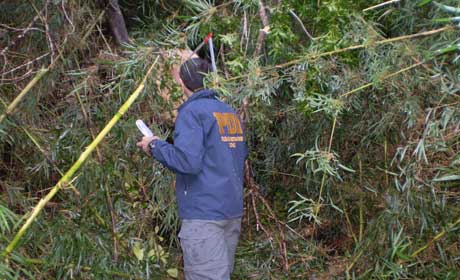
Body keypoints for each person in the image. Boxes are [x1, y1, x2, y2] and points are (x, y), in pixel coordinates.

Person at [137, 57, 248, 280]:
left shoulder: (192, 113)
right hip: (231, 211)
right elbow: (239, 158)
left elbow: (188, 162)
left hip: (204, 214)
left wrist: (155, 146)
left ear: (182, 83)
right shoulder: (228, 112)